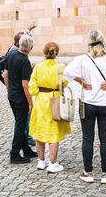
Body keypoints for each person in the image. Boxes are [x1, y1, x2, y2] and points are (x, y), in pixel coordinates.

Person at [64, 30, 106, 184]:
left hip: (87, 102)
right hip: (105, 102)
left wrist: (81, 81)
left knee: (87, 138)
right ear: (103, 41)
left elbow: (66, 72)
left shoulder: (81, 59)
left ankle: (87, 172)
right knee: (105, 139)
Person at [29, 42, 71, 173]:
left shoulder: (38, 67)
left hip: (41, 101)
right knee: (54, 132)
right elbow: (65, 82)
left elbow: (32, 88)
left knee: (39, 131)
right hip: (55, 100)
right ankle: (53, 163)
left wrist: (39, 92)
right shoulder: (61, 67)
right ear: (56, 53)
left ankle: (41, 161)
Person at [4, 34, 38, 164]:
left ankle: (26, 149)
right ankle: (14, 154)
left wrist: (8, 90)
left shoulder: (11, 54)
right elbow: (25, 84)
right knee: (20, 125)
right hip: (21, 99)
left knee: (20, 123)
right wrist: (30, 102)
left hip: (12, 95)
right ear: (31, 47)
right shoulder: (24, 60)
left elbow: (5, 74)